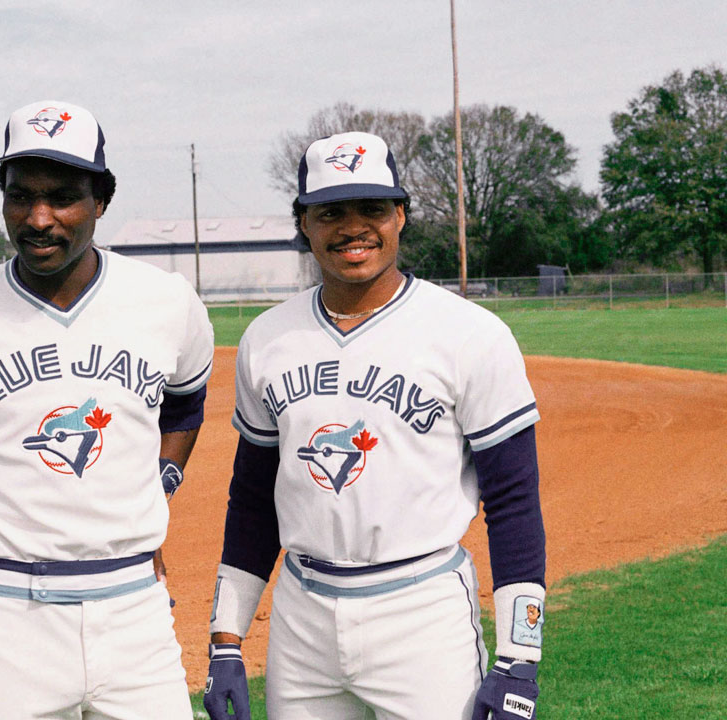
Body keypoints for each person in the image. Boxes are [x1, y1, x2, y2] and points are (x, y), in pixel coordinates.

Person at [0, 100, 215, 719]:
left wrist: (157, 492)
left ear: (101, 200)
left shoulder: (168, 304)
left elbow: (184, 410)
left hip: (134, 605)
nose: (39, 218)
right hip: (7, 612)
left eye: (63, 196)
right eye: (20, 195)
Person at [202, 132, 546, 719]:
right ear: (304, 224)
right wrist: (226, 638)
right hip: (302, 616)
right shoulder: (267, 339)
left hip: (422, 612)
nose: (352, 227)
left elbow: (513, 499)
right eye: (330, 211)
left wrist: (520, 656)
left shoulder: (470, 333)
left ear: (401, 215)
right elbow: (254, 500)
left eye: (372, 208)